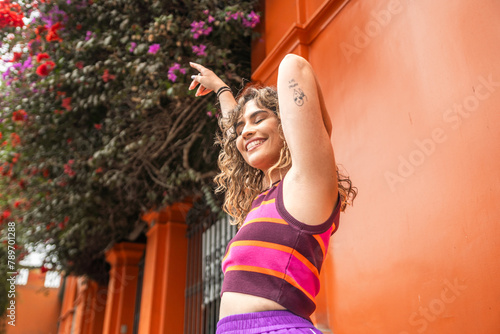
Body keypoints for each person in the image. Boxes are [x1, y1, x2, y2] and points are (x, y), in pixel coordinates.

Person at [189, 54, 357, 334]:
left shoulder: (306, 184)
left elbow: (294, 65)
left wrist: (306, 120)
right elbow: (239, 132)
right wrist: (221, 89)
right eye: (241, 128)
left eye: (259, 118)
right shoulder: (264, 198)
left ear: (286, 123)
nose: (246, 132)